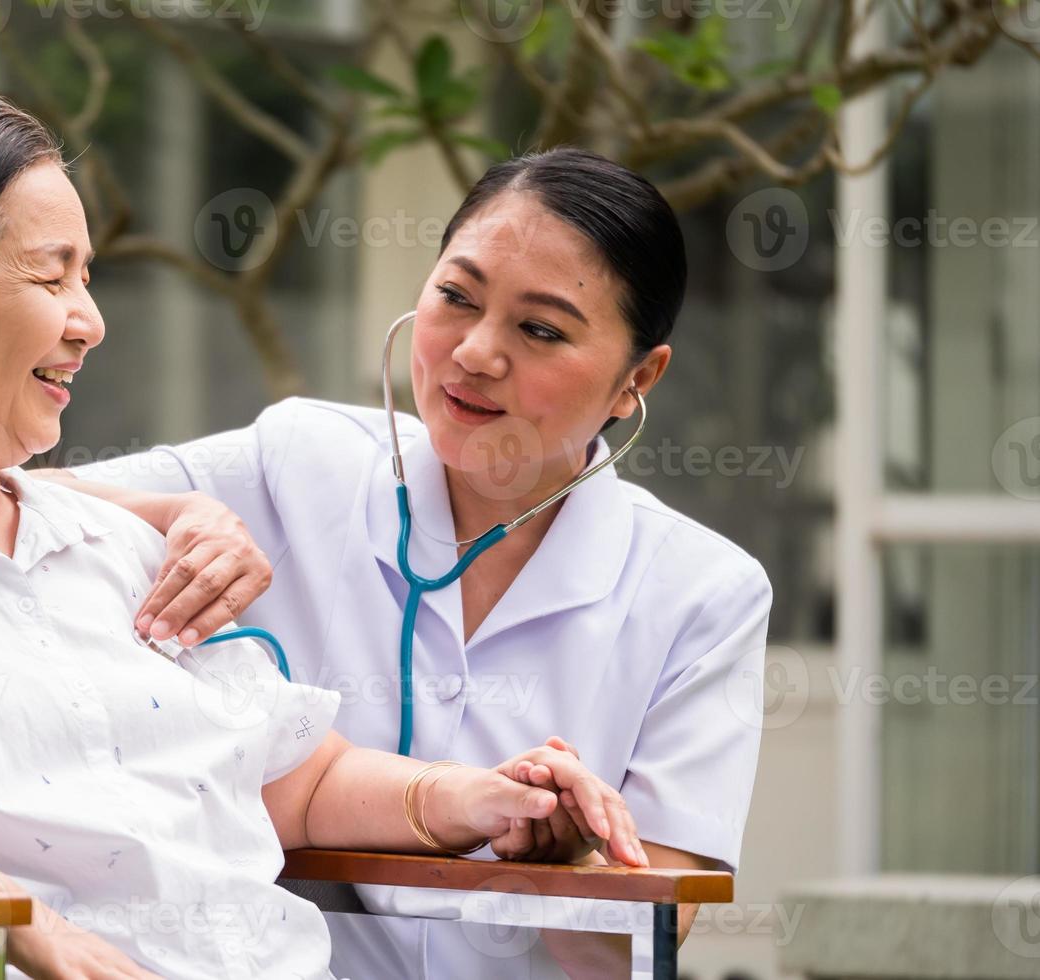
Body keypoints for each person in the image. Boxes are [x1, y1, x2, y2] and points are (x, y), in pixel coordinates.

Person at [0, 90, 641, 980]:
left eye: (88, 276)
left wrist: (479, 797)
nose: (89, 319)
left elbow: (300, 779)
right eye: (51, 276)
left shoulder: (112, 547)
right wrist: (11, 912)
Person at [47, 147, 774, 978]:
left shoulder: (704, 595)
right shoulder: (301, 460)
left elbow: (638, 952)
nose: (475, 354)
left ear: (635, 380)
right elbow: (20, 497)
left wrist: (569, 867)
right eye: (456, 298)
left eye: (540, 330)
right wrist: (181, 512)